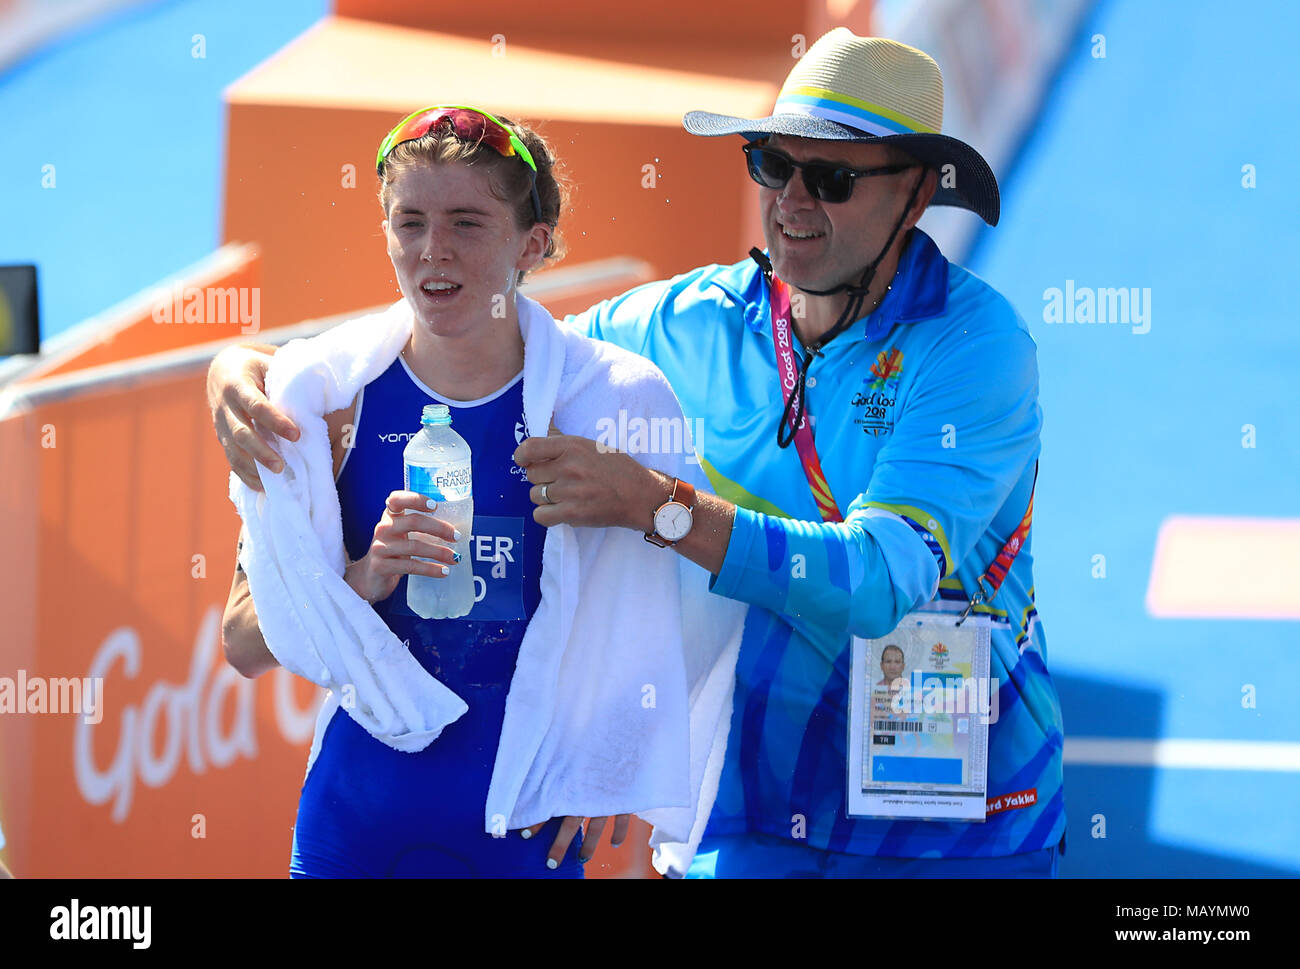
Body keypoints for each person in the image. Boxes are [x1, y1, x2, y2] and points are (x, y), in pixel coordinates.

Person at [210, 31, 1065, 879]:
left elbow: (878, 585)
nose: (793, 201)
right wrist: (254, 369)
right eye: (773, 165)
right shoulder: (687, 321)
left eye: (833, 178)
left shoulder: (975, 347)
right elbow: (486, 344)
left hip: (950, 825)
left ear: (915, 193)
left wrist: (659, 505)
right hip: (744, 808)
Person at [221, 105, 714, 877]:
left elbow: (681, 606)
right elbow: (243, 641)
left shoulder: (607, 404)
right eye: (408, 221)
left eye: (466, 222)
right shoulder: (327, 402)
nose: (432, 251)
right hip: (353, 826)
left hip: (523, 829)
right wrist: (361, 579)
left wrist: (610, 756)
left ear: (533, 243)